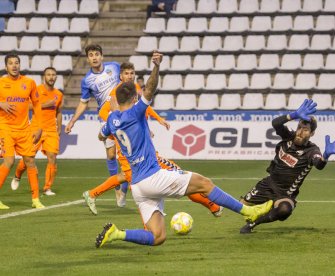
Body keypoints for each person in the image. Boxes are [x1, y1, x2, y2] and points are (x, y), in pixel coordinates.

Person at [95, 51, 273, 247]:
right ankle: (248, 211)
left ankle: (117, 234)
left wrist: (113, 112)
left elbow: (101, 136)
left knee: (157, 236)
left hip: (137, 186)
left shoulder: (112, 120)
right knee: (204, 183)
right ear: (134, 98)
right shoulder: (136, 112)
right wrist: (156, 66)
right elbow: (150, 89)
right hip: (152, 177)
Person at [83, 62, 223, 217]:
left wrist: (157, 119)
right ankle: (213, 206)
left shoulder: (133, 89)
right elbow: (103, 112)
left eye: (132, 73)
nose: (130, 76)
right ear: (120, 76)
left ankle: (93, 194)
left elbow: (143, 106)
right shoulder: (117, 93)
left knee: (126, 176)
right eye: (126, 73)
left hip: (137, 145)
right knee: (176, 175)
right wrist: (118, 125)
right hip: (129, 147)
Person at [239, 99, 335, 234]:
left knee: (284, 210)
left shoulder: (312, 150)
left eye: (305, 129)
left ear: (312, 133)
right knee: (241, 206)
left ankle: (254, 222)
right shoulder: (288, 137)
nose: (301, 132)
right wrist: (293, 115)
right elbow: (275, 123)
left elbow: (318, 164)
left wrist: (325, 156)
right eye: (299, 128)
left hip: (285, 193)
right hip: (268, 183)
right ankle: (226, 205)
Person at [64, 44, 121, 190]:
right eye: (91, 55)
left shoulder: (115, 67)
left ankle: (132, 182)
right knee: (111, 154)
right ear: (88, 59)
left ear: (101, 56)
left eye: (96, 54)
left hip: (123, 114)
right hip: (105, 117)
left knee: (128, 151)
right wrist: (72, 121)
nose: (94, 57)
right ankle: (116, 186)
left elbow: (127, 82)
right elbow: (84, 103)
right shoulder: (87, 80)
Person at [0, 53, 45, 209]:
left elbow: (37, 104)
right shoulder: (1, 82)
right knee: (9, 161)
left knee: (30, 161)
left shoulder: (29, 82)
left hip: (24, 129)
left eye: (17, 63)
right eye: (11, 63)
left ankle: (35, 199)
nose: (14, 65)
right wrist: (1, 104)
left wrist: (38, 126)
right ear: (6, 67)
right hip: (5, 128)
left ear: (20, 65)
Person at [10, 67, 63, 196]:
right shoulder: (37, 90)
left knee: (52, 158)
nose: (51, 77)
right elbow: (27, 106)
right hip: (35, 128)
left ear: (56, 77)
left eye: (53, 75)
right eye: (48, 74)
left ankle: (47, 188)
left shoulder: (59, 94)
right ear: (44, 77)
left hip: (51, 130)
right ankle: (17, 175)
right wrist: (45, 104)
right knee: (28, 157)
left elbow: (59, 112)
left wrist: (59, 128)